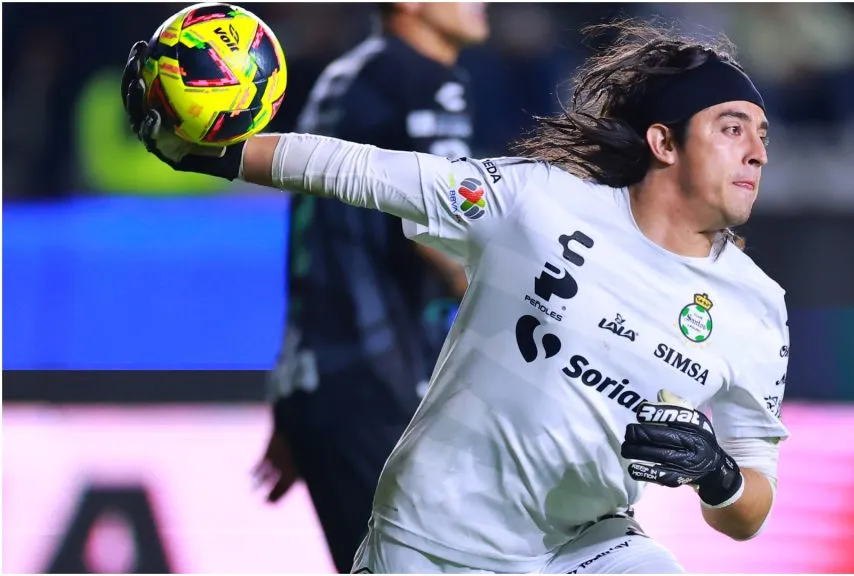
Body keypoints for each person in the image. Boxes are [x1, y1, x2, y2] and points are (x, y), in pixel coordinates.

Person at [122, 19, 791, 574]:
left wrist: (719, 475)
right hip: (433, 540)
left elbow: (750, 508)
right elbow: (358, 171)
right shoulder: (535, 203)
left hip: (583, 546)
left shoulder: (757, 309)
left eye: (762, 135)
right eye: (733, 128)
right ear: (664, 142)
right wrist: (207, 156)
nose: (758, 152)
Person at [250, 3, 489, 572]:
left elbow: (314, 238)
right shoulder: (423, 80)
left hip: (324, 379)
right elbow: (442, 231)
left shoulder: (345, 76)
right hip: (382, 379)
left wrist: (294, 396)